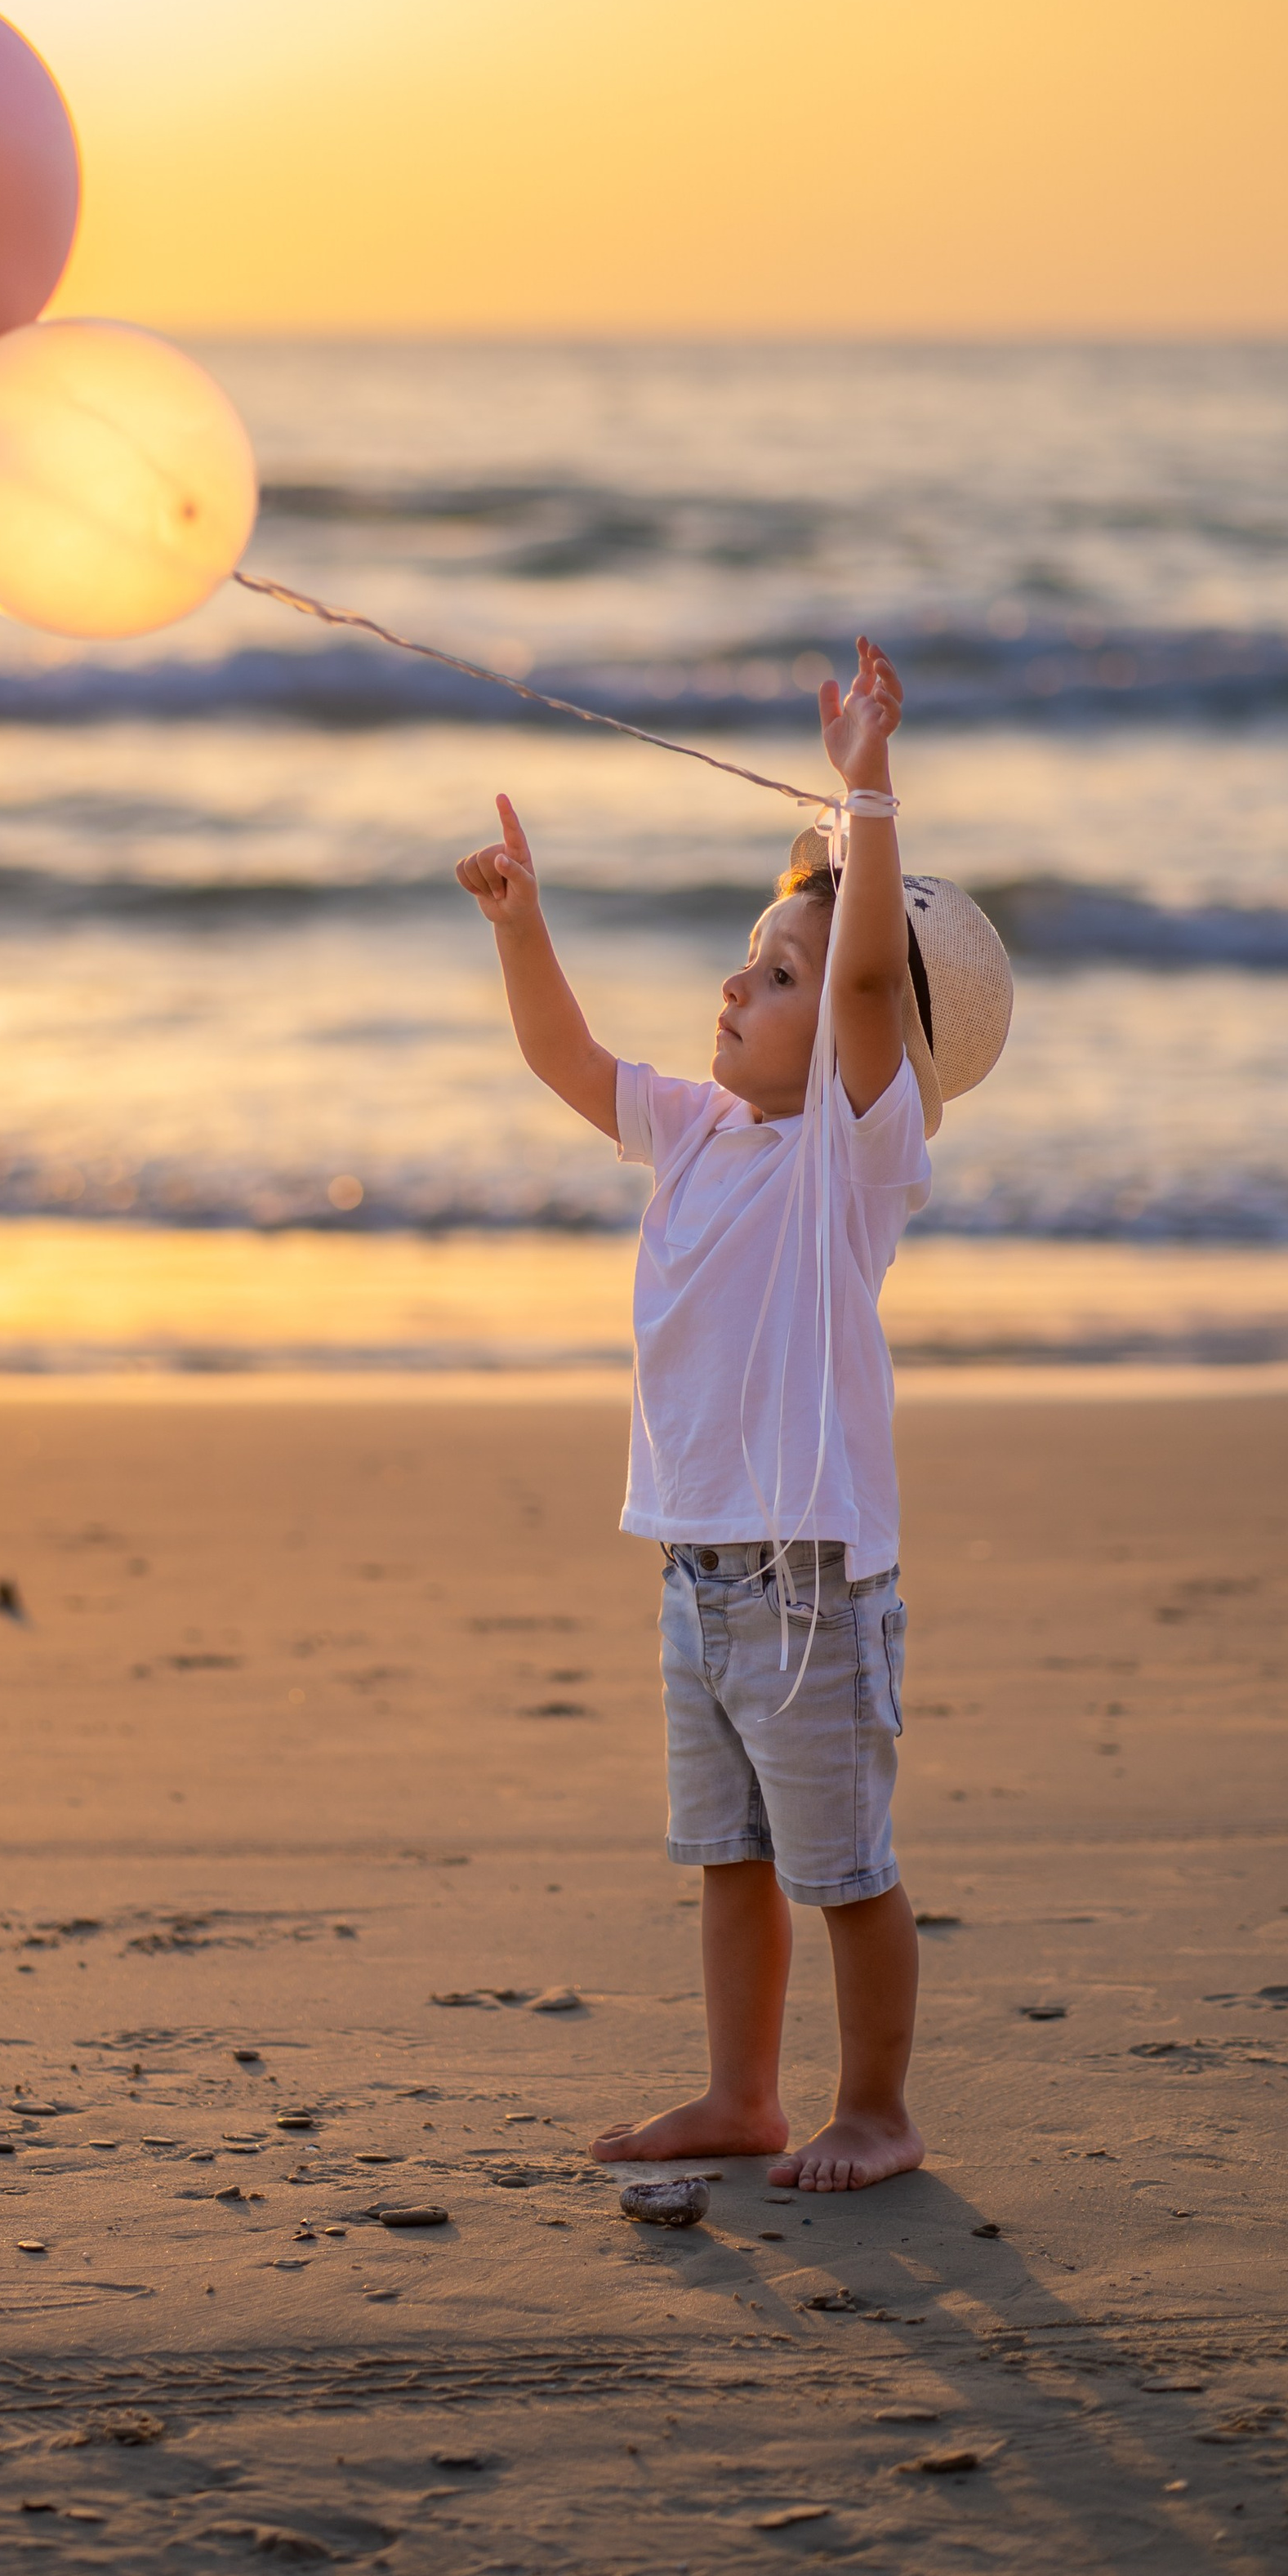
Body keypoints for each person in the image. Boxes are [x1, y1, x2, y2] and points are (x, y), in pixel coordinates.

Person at [454, 639, 1010, 2192]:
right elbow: (564, 1057)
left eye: (782, 977)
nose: (740, 984)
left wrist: (865, 792)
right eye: (746, 957)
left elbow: (858, 988)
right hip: (698, 1573)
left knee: (844, 1870)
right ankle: (740, 2094)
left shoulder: (857, 1152)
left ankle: (879, 2109)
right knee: (729, 1858)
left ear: (854, 1029)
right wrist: (522, 924)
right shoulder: (696, 1130)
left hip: (813, 1586)